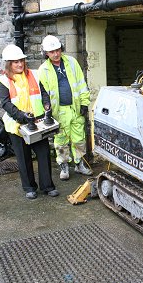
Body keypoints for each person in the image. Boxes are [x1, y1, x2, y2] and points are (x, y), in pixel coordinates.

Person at [0, 44, 59, 199]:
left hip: (37, 123)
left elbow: (43, 93)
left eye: (21, 61)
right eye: (15, 62)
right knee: (23, 158)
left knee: (43, 155)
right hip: (17, 125)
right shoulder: (3, 81)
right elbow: (6, 103)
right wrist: (22, 116)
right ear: (9, 64)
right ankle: (29, 188)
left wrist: (46, 104)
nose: (19, 64)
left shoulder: (35, 75)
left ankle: (48, 186)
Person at [38, 35, 93, 180]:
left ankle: (79, 164)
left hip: (74, 108)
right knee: (61, 140)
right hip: (59, 111)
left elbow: (81, 84)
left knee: (79, 138)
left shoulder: (72, 62)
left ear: (61, 48)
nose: (56, 54)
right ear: (46, 53)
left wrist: (84, 103)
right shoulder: (43, 70)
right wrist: (47, 108)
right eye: (52, 52)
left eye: (57, 50)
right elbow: (43, 92)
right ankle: (64, 167)